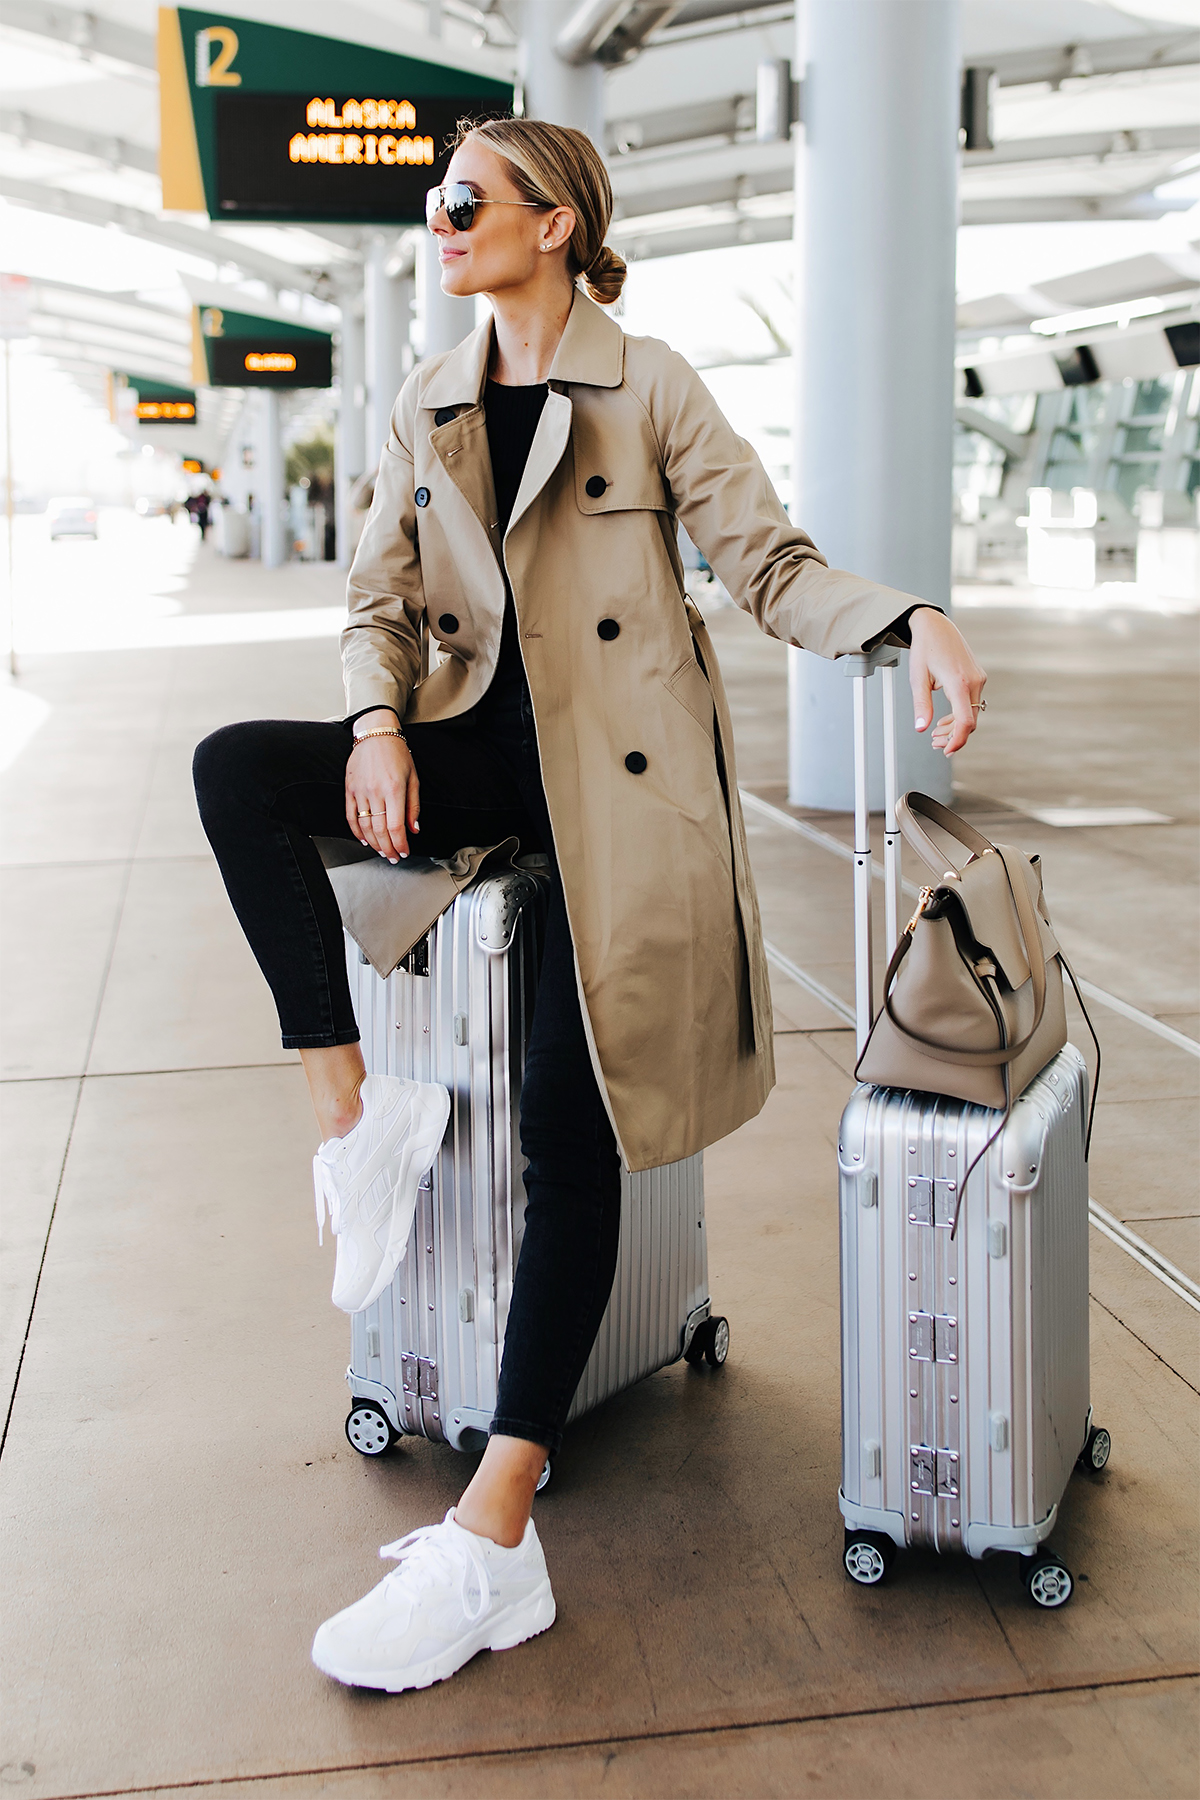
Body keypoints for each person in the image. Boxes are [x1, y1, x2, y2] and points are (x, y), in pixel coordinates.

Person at [192, 116, 986, 1697]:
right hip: (478, 768)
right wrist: (370, 724)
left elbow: (770, 566)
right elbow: (377, 603)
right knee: (234, 773)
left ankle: (496, 1534)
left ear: (556, 224)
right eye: (435, 200)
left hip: (621, 811)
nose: (442, 219)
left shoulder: (652, 384)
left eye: (467, 198)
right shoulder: (428, 400)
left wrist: (913, 618)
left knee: (573, 1129)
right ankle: (356, 1123)